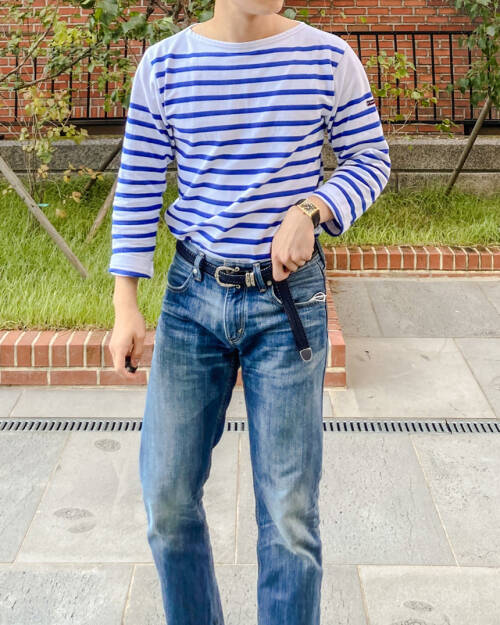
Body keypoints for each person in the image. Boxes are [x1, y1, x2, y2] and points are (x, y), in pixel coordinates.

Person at [108, 1, 391, 623]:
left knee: (289, 517)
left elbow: (371, 160)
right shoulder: (164, 66)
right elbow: (139, 184)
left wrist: (312, 210)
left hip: (287, 304)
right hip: (192, 299)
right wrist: (125, 303)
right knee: (166, 501)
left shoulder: (328, 58)